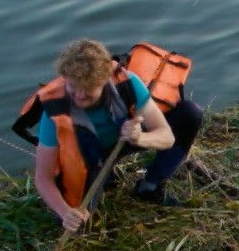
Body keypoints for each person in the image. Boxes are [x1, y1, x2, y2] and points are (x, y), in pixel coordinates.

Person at [27, 39, 202, 231]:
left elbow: (166, 137)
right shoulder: (54, 111)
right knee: (76, 225)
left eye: (88, 90)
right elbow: (43, 177)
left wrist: (139, 138)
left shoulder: (127, 84)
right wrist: (64, 211)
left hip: (126, 137)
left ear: (104, 81)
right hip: (87, 157)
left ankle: (150, 186)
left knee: (189, 115)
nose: (78, 96)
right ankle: (102, 176)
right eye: (73, 87)